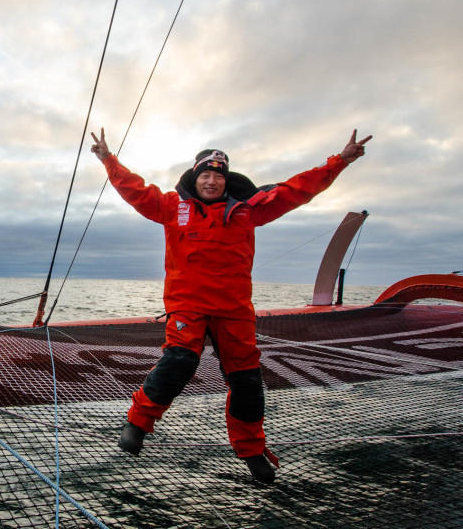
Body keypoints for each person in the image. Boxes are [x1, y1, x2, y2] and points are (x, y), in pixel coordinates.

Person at [90, 128, 371, 483]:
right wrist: (107, 158)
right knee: (180, 361)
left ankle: (252, 451)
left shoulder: (248, 210)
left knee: (247, 382)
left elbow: (297, 190)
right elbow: (133, 189)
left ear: (227, 181)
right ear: (195, 178)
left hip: (233, 309)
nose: (211, 181)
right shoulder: (171, 207)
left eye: (218, 176)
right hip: (188, 305)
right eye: (205, 175)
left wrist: (340, 161)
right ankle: (138, 422)